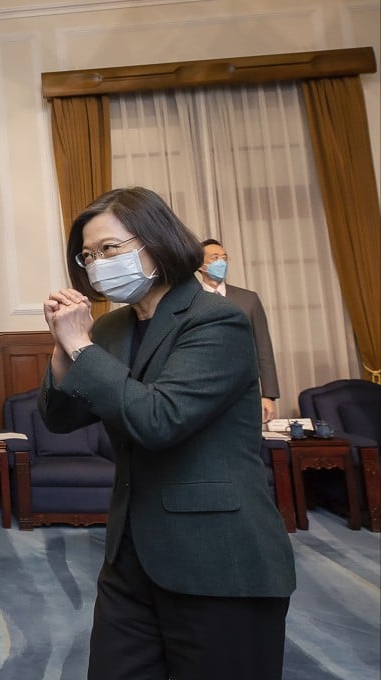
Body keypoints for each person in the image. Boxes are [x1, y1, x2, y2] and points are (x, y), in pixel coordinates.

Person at [39, 187, 295, 680]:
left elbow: (159, 420)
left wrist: (80, 344)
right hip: (130, 557)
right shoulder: (111, 328)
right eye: (88, 255)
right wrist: (61, 350)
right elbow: (61, 419)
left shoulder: (218, 321)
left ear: (155, 243)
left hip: (218, 559)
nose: (97, 264)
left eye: (110, 249)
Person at [198, 238, 280, 422]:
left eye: (225, 258)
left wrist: (268, 395)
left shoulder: (248, 299)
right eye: (215, 257)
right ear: (200, 265)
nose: (221, 262)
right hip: (202, 389)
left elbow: (263, 347)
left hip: (243, 390)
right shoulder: (191, 299)